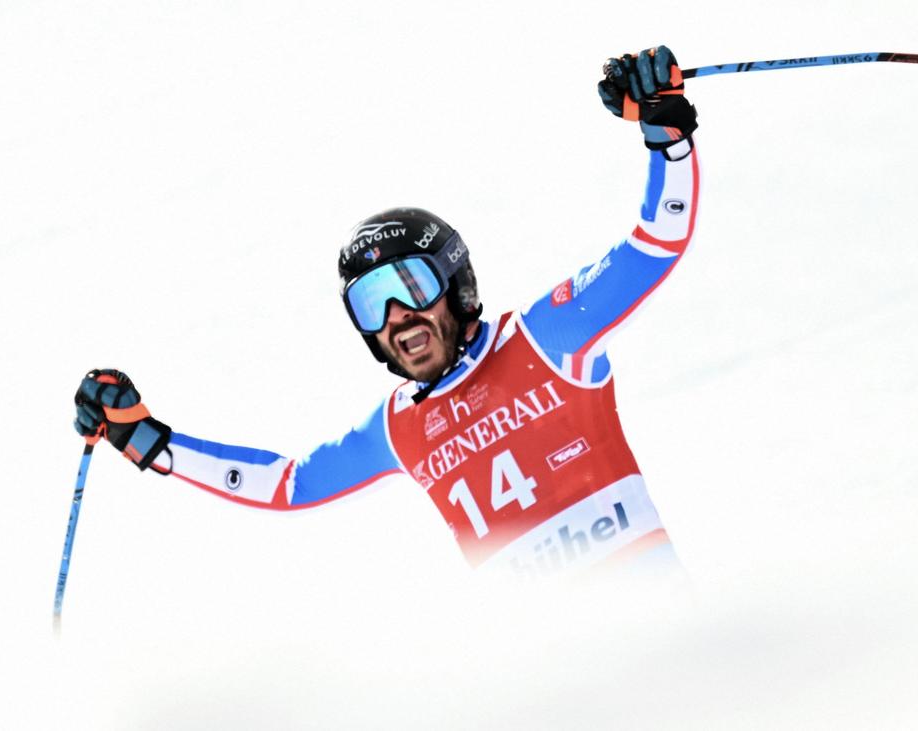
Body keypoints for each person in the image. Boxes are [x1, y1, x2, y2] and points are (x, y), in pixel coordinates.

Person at [74, 46, 701, 582]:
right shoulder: (398, 427)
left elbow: (654, 246)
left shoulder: (546, 337)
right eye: (372, 303)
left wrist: (666, 138)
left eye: (410, 284)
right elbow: (286, 485)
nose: (397, 315)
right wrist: (150, 442)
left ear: (456, 285)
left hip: (660, 649)